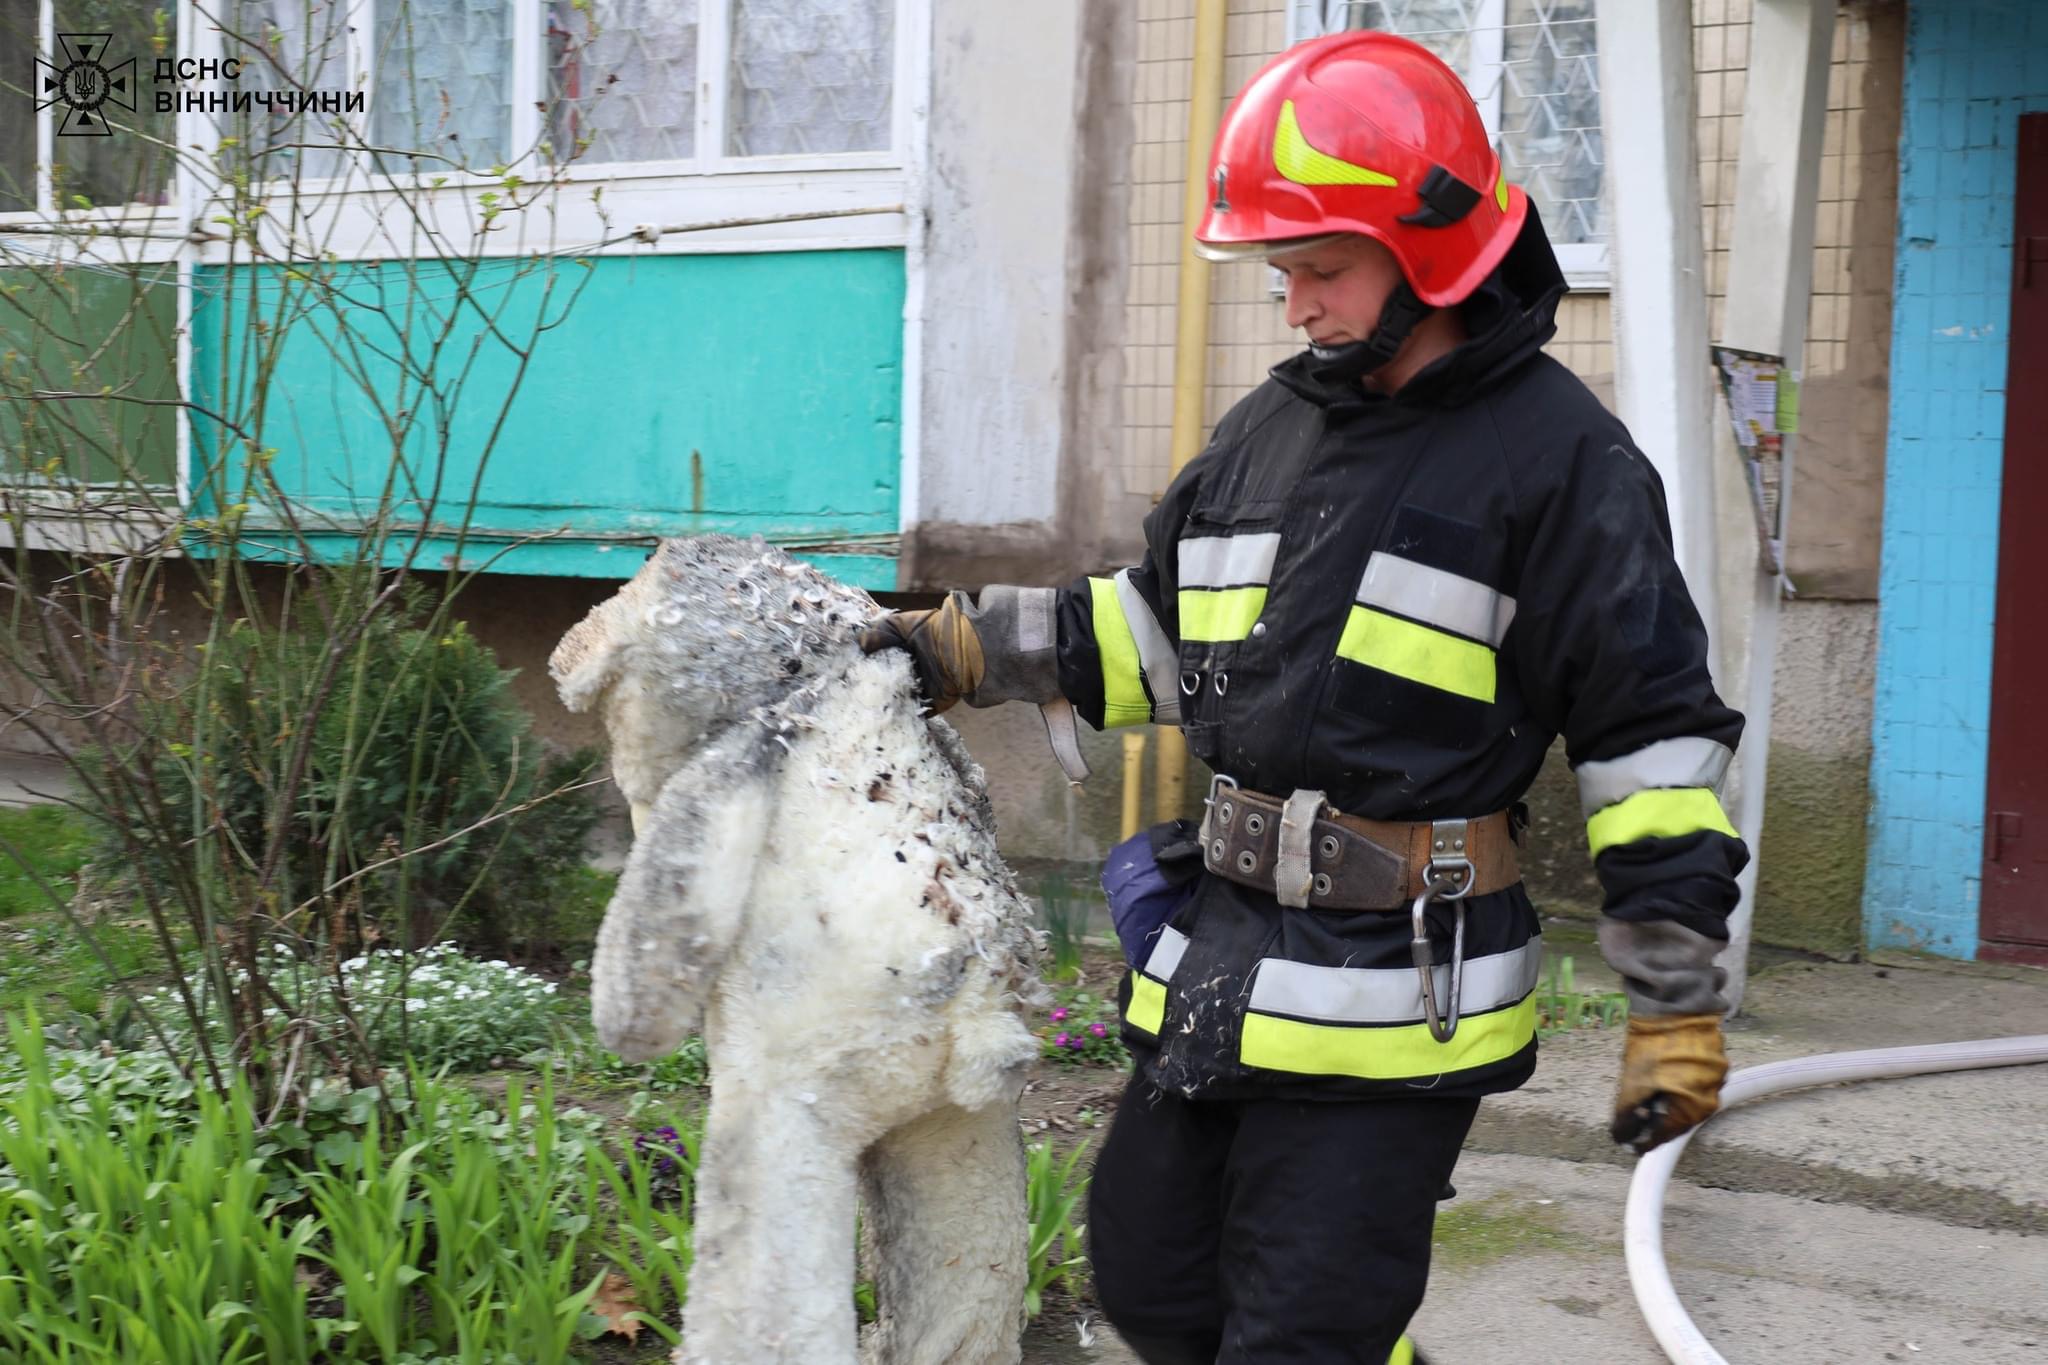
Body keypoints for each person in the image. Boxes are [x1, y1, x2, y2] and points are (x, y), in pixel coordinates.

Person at [861, 30, 1746, 1365]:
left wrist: (1673, 995)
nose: (1298, 307)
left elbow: (1652, 744)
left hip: (1399, 993)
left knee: (1303, 1330)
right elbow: (1153, 628)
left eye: (1320, 269)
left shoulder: (1565, 465)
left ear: (1432, 249)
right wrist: (960, 648)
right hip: (1226, 958)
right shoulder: (1269, 432)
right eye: (1284, 274)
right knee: (1152, 1279)